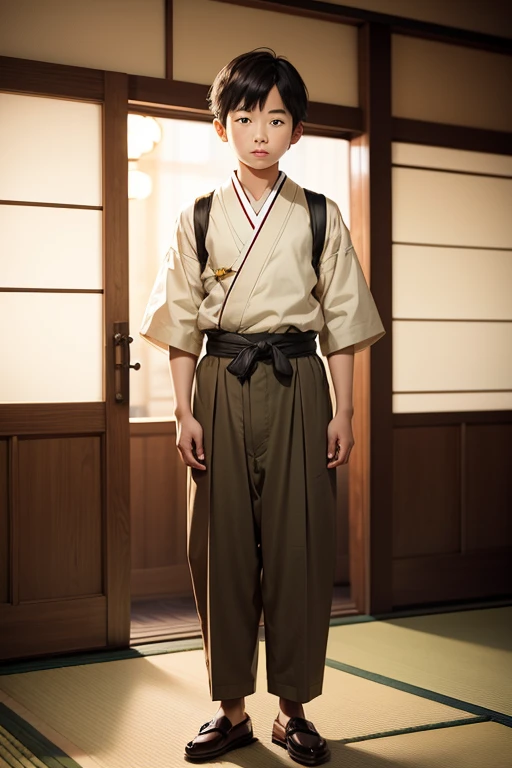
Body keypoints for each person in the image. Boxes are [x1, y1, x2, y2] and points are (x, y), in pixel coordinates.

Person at [140, 48, 385, 765]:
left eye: (274, 119)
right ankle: (231, 710)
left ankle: (294, 710)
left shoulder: (319, 216)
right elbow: (180, 322)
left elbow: (340, 318)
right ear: (221, 126)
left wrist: (344, 410)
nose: (258, 132)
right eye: (244, 117)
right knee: (217, 550)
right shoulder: (196, 216)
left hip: (298, 381)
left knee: (299, 547)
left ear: (295, 131)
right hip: (218, 380)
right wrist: (182, 411)